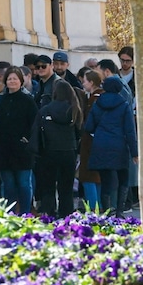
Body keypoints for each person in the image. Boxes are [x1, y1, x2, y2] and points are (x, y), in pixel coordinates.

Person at [84, 77, 138, 217]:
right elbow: (130, 131)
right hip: (119, 146)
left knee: (105, 180)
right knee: (123, 178)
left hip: (100, 145)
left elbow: (89, 126)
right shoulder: (124, 105)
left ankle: (107, 211)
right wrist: (134, 152)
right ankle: (120, 211)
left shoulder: (97, 103)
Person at [30, 80, 82, 217]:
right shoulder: (74, 110)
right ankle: (66, 214)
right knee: (66, 188)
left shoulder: (45, 110)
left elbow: (36, 130)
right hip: (68, 151)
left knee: (48, 186)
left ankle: (49, 213)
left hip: (48, 151)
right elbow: (79, 132)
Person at [0, 67, 37, 214]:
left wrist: (27, 139)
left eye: (15, 78)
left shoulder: (28, 100)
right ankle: (9, 213)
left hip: (22, 150)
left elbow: (34, 123)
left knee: (23, 183)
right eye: (9, 79)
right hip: (3, 149)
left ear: (21, 81)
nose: (12, 81)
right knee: (7, 184)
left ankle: (25, 212)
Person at [77, 70, 104, 211]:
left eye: (85, 81)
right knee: (97, 179)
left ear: (92, 82)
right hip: (100, 143)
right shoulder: (99, 97)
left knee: (88, 178)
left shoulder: (94, 99)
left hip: (90, 143)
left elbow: (91, 122)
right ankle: (98, 208)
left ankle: (93, 210)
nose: (83, 84)